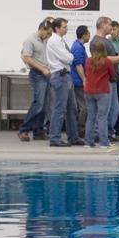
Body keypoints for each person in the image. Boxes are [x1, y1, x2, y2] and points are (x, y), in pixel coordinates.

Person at [45, 18, 79, 147]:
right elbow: (69, 58)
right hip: (60, 76)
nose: (66, 29)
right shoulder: (54, 41)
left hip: (66, 76)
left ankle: (73, 137)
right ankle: (54, 138)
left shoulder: (61, 40)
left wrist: (69, 56)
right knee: (59, 109)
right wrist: (69, 56)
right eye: (64, 27)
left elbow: (68, 57)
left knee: (72, 108)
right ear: (57, 28)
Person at [18, 19, 54, 142]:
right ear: (42, 29)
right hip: (37, 74)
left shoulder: (44, 41)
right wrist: (42, 69)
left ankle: (38, 131)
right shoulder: (30, 40)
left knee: (44, 105)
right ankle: (23, 130)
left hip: (46, 74)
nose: (49, 36)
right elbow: (27, 58)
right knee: (38, 104)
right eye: (48, 33)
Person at [82, 38, 117, 148]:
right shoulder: (107, 61)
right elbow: (112, 74)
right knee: (102, 117)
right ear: (104, 49)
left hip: (88, 91)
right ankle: (104, 142)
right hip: (102, 91)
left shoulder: (88, 60)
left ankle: (88, 142)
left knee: (91, 117)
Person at [70, 25, 91, 140]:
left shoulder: (79, 46)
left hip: (78, 80)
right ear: (83, 35)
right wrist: (84, 79)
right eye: (88, 33)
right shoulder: (78, 47)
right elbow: (78, 65)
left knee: (83, 106)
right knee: (84, 107)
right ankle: (80, 129)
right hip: (78, 81)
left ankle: (80, 129)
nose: (89, 35)